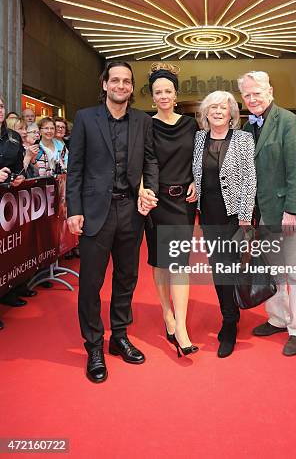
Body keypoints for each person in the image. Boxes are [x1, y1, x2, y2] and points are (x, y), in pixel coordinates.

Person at [66, 61, 159, 384]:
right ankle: (94, 345)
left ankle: (119, 336)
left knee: (126, 277)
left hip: (131, 213)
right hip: (94, 213)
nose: (121, 86)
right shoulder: (85, 118)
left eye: (127, 82)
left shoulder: (142, 121)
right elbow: (75, 168)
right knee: (91, 283)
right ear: (104, 84)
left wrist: (150, 191)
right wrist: (73, 209)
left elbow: (150, 160)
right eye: (115, 80)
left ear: (132, 88)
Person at [238, 71, 296, 357]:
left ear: (269, 90)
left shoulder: (289, 121)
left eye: (257, 92)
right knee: (274, 269)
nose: (253, 98)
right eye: (247, 94)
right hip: (265, 215)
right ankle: (279, 318)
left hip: (288, 213)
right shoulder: (246, 130)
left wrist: (292, 210)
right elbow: (247, 176)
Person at [140, 62, 198, 358]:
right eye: (158, 91)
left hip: (183, 204)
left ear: (176, 95)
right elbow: (137, 162)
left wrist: (197, 183)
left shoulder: (191, 125)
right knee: (161, 262)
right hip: (156, 202)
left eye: (168, 91)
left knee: (180, 263)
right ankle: (167, 315)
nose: (163, 95)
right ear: (152, 97)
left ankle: (183, 328)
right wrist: (141, 190)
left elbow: (200, 160)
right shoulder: (145, 124)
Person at [193, 91, 256, 358]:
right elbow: (193, 170)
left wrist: (245, 213)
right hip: (208, 214)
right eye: (212, 107)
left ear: (231, 113)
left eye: (223, 107)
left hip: (233, 215)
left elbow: (249, 178)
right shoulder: (199, 138)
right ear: (206, 113)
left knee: (227, 267)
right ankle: (229, 315)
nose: (218, 111)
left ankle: (229, 323)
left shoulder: (243, 138)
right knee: (218, 268)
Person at [0, 96, 27, 314]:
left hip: (8, 203)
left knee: (8, 251)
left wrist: (19, 177)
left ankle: (8, 292)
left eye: (0, 106)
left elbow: (20, 167)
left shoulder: (14, 137)